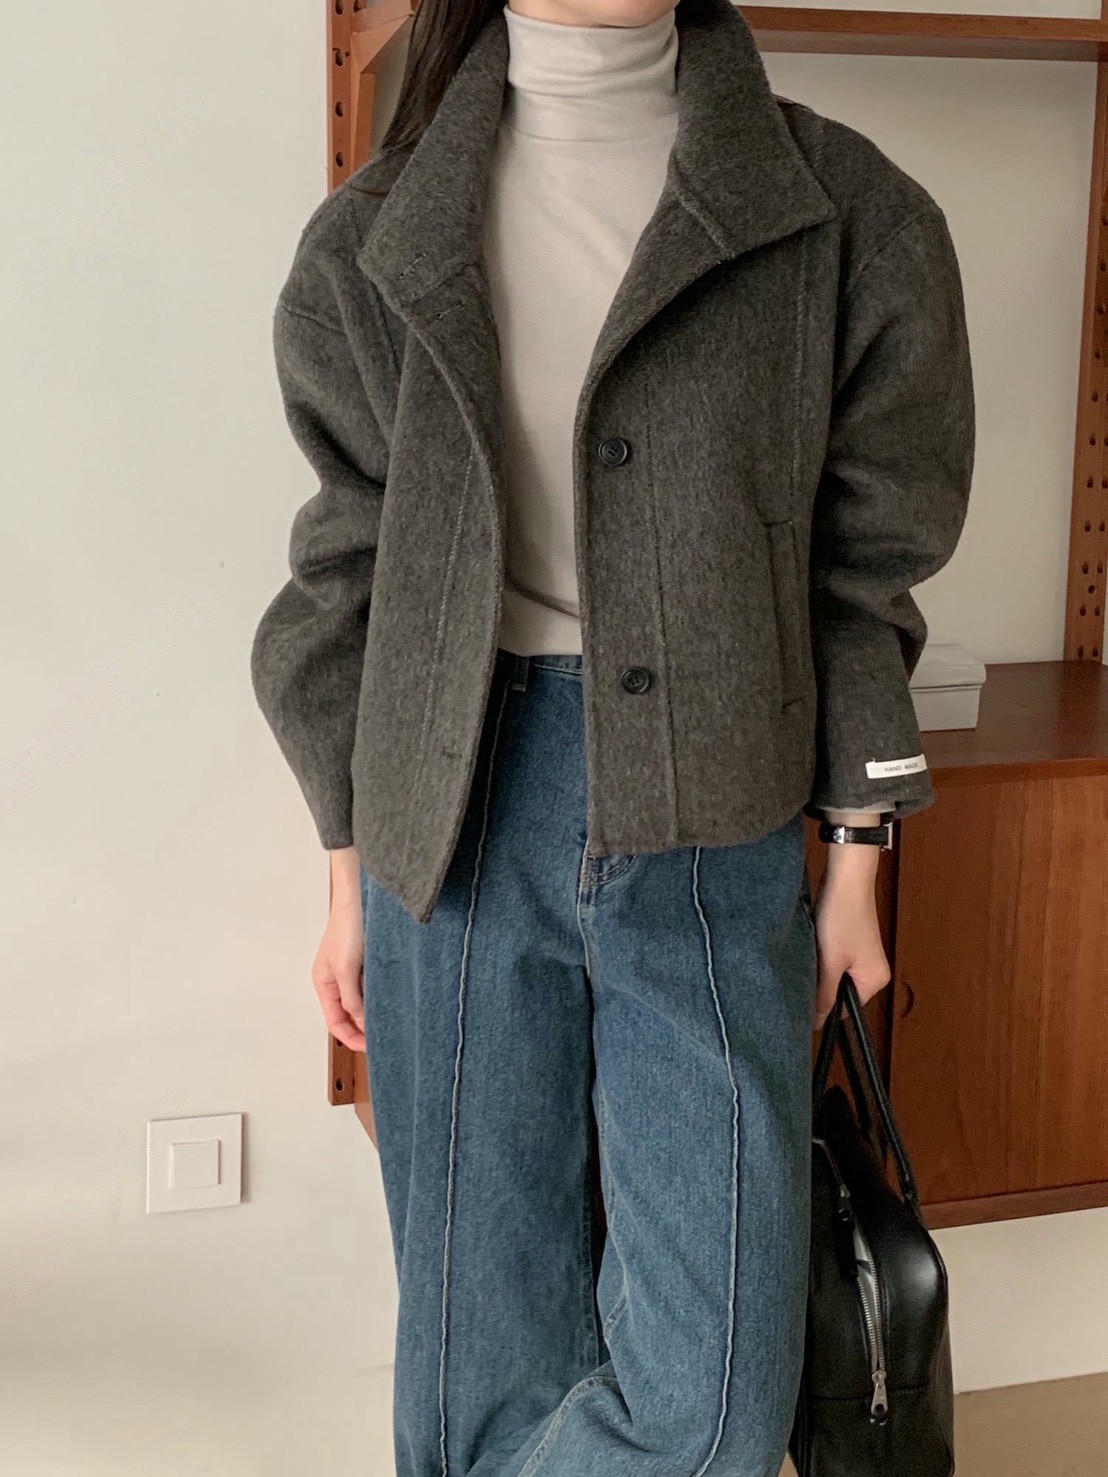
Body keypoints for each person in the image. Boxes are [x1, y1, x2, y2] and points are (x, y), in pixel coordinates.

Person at [250, 0, 975, 1470]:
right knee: (476, 1353)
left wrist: (855, 858)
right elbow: (348, 574)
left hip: (719, 813)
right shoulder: (371, 238)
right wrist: (347, 875)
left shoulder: (848, 214)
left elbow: (862, 570)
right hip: (452, 817)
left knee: (713, 1404)